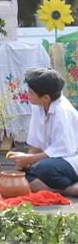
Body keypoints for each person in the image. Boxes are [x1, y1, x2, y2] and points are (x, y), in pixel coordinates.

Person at [8, 68, 78, 197]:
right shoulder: (38, 106)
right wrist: (25, 163)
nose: (27, 94)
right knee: (24, 176)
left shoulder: (62, 111)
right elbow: (36, 143)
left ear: (46, 98)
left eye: (30, 92)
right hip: (53, 161)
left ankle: (71, 189)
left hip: (71, 159)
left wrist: (29, 159)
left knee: (42, 168)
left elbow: (64, 150)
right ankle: (67, 189)